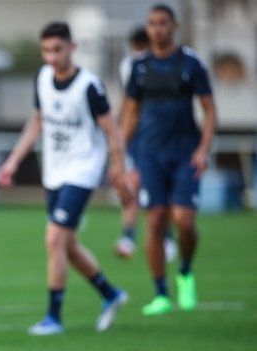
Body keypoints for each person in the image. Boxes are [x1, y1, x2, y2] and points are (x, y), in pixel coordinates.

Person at [0, 22, 132, 336]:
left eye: (58, 49)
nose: (52, 57)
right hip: (54, 172)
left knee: (54, 238)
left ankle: (54, 317)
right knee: (66, 246)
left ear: (72, 48)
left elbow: (113, 130)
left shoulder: (89, 86)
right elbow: (38, 123)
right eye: (46, 50)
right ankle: (110, 294)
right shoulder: (43, 78)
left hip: (83, 171)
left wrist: (118, 169)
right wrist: (14, 161)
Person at [121, 4, 216, 316]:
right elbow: (131, 112)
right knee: (156, 219)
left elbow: (210, 110)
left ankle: (185, 272)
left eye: (162, 23)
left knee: (184, 221)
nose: (157, 29)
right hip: (150, 154)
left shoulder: (191, 63)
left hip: (185, 152)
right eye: (151, 24)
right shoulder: (139, 67)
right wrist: (120, 155)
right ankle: (161, 293)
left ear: (174, 26)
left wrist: (203, 149)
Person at [114, 27, 177, 261]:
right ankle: (129, 238)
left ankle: (167, 239)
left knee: (159, 188)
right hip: (137, 137)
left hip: (158, 137)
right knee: (134, 185)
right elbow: (129, 102)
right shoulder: (131, 66)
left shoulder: (166, 64)